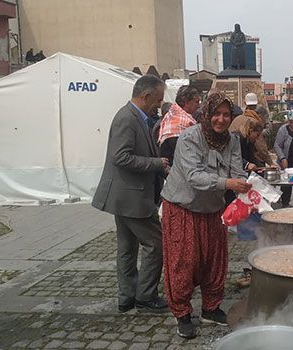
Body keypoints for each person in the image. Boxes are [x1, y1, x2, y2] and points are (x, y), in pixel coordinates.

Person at [160, 92, 251, 339]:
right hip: (183, 206)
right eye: (216, 114)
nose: (221, 119)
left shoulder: (232, 140)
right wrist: (230, 182)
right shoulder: (189, 138)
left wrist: (244, 187)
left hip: (212, 208)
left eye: (226, 114)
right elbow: (194, 177)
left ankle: (210, 308)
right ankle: (182, 313)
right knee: (184, 262)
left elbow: (237, 169)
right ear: (206, 114)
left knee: (214, 260)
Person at [91, 75, 170, 314]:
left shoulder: (136, 117)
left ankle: (127, 298)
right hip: (132, 198)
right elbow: (121, 157)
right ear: (145, 97)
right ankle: (145, 297)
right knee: (156, 244)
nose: (159, 104)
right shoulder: (127, 118)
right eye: (158, 100)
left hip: (125, 196)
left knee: (127, 248)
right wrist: (155, 163)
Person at [158, 85, 200, 165]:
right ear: (186, 103)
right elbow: (186, 156)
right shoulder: (178, 123)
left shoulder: (172, 115)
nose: (198, 106)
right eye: (196, 102)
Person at [229, 92, 274, 167]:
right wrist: (271, 163)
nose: (257, 137)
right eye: (257, 135)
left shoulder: (239, 118)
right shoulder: (254, 122)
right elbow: (261, 146)